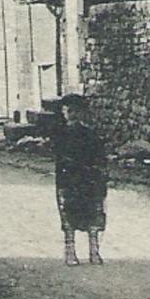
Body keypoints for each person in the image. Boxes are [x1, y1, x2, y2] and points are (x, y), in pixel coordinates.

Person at [53, 93, 109, 265]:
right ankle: (71, 251)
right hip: (69, 179)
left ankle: (94, 251)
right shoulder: (61, 134)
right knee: (69, 214)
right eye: (67, 111)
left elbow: (100, 156)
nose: (70, 114)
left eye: (73, 111)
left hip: (88, 178)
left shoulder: (90, 134)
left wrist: (100, 175)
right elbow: (59, 157)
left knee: (93, 213)